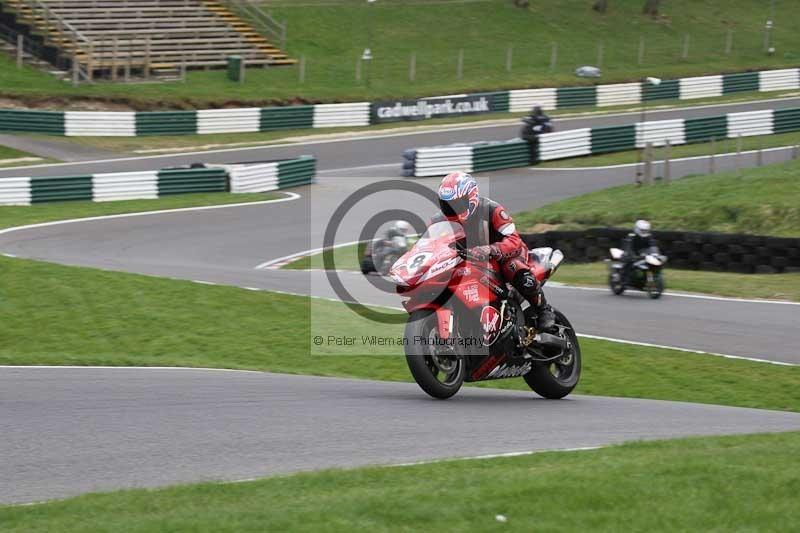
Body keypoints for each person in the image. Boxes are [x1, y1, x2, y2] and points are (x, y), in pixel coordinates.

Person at [433, 171, 555, 331]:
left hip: (505, 255)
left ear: (472, 197)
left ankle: (543, 309)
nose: (452, 209)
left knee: (512, 267)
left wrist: (491, 249)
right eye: (447, 204)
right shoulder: (438, 220)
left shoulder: (492, 210)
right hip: (470, 260)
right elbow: (431, 244)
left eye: (457, 203)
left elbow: (514, 240)